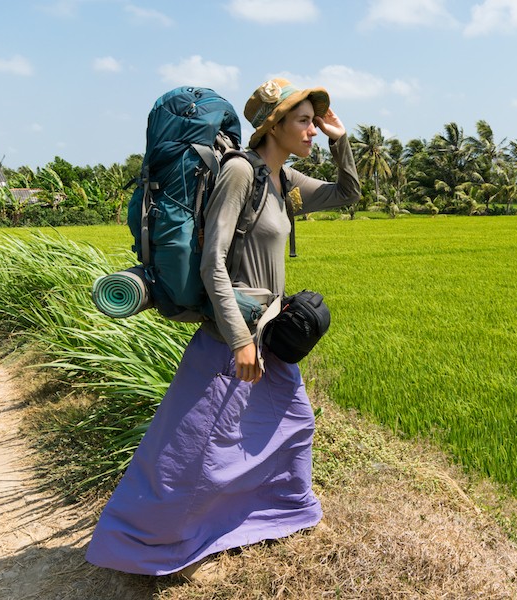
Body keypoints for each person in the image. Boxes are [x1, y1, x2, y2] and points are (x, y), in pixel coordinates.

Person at [85, 78, 360, 580]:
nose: (312, 130)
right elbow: (213, 263)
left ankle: (283, 515)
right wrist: (238, 341)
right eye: (304, 120)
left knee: (293, 427)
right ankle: (138, 543)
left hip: (271, 333)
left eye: (314, 121)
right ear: (273, 125)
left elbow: (347, 195)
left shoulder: (284, 180)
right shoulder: (241, 173)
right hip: (232, 336)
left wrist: (341, 139)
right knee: (187, 452)